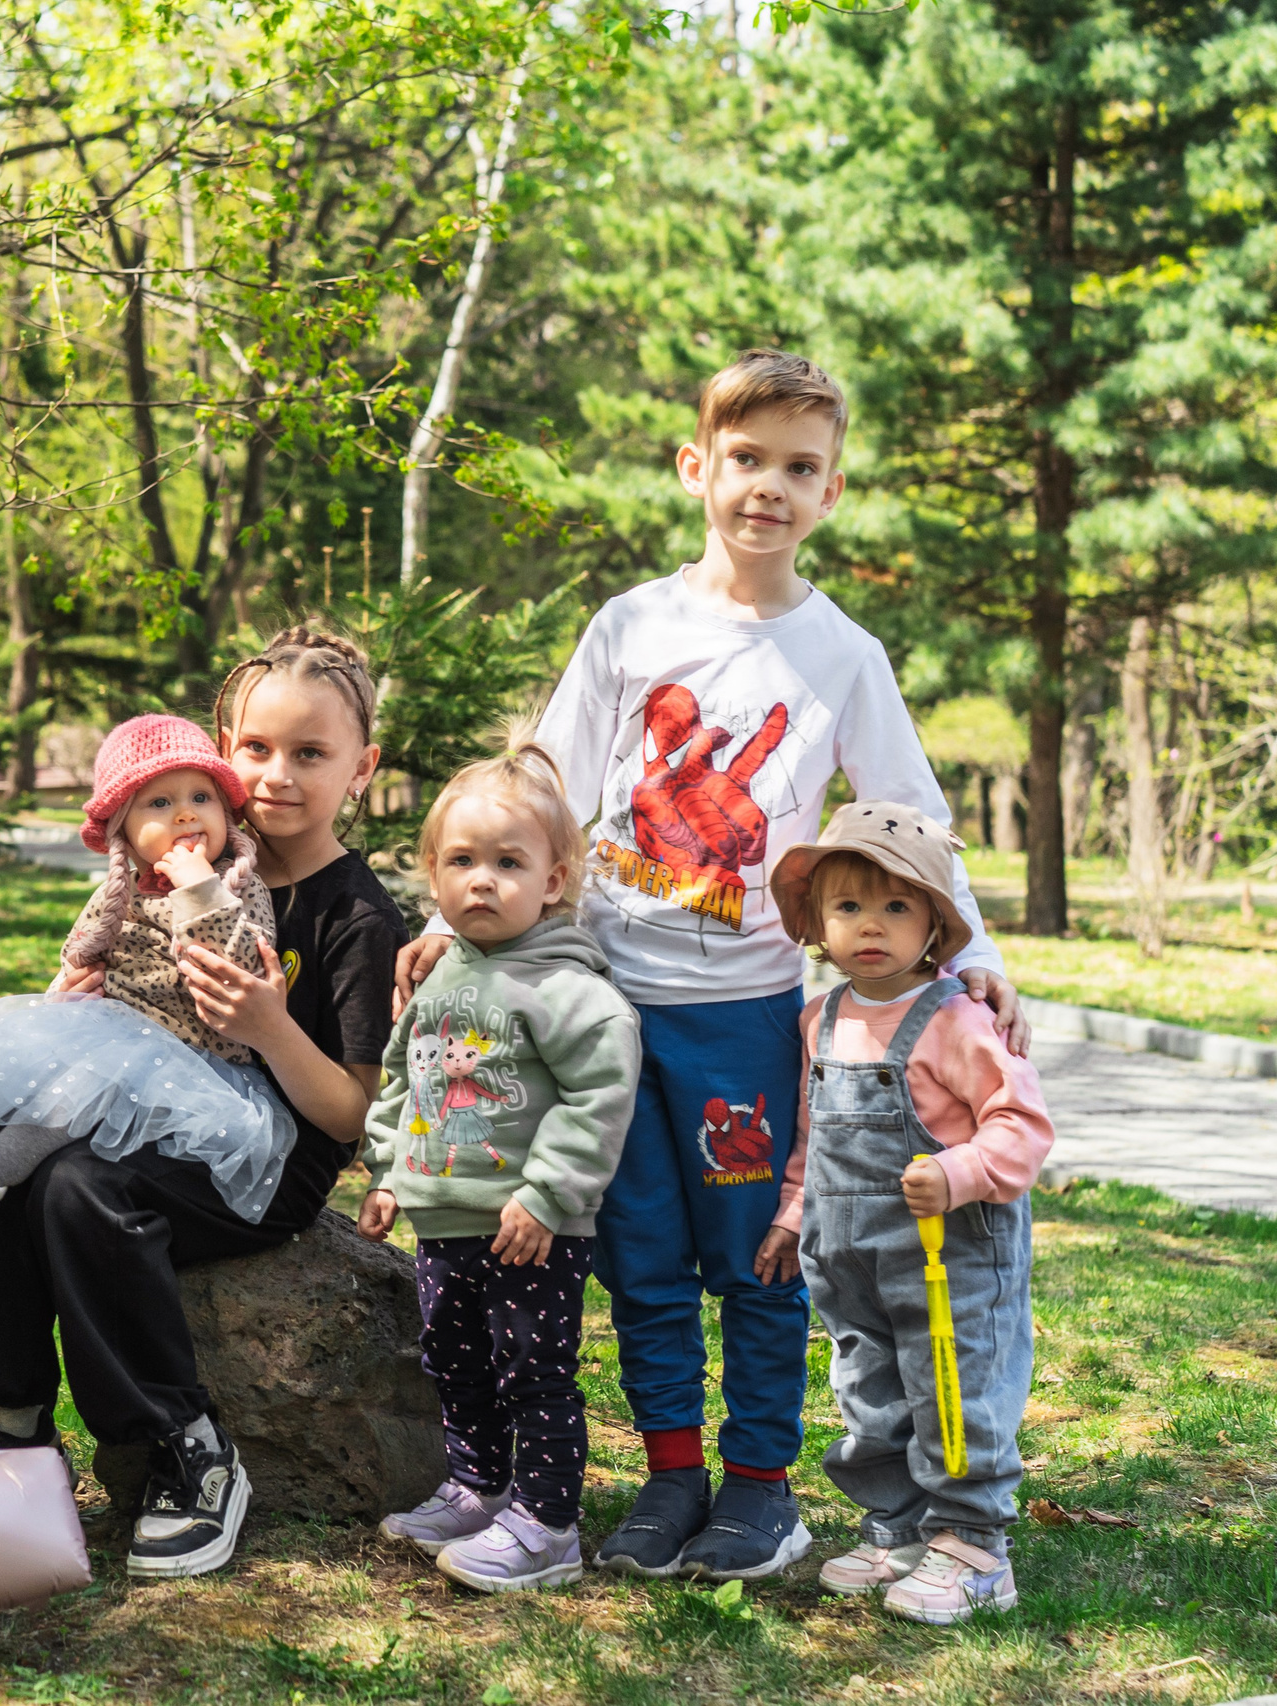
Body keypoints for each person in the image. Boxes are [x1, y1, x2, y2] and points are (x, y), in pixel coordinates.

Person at [394, 349, 1028, 1582]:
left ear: (832, 491)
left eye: (799, 466)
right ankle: (671, 1473)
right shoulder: (632, 625)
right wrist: (449, 912)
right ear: (696, 467)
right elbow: (544, 787)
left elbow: (915, 817)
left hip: (743, 1017)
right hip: (603, 1009)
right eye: (745, 458)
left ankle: (758, 1486)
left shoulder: (843, 654)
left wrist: (980, 953)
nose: (767, 487)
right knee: (636, 1256)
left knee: (755, 1258)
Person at [0, 627, 410, 1580]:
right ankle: (5, 1415)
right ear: (222, 754)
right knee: (7, 1119)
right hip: (152, 1111)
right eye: (256, 749)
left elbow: (351, 1116)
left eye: (311, 754)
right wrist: (73, 1005)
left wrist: (271, 1026)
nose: (277, 776)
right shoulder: (174, 869)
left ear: (362, 769)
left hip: (265, 1157)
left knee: (80, 1189)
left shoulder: (356, 916)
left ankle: (183, 1444)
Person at [356, 740, 637, 1593]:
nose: (482, 881)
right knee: (454, 1359)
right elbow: (403, 1078)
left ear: (554, 882)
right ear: (433, 876)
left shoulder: (567, 989)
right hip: (443, 1219)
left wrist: (548, 1195)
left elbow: (600, 1093)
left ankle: (548, 1522)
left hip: (529, 1229)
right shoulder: (442, 978)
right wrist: (387, 1173)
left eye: (508, 863)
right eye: (462, 861)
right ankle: (479, 1487)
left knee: (533, 1371)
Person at [766, 802, 1053, 1622]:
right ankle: (898, 1528)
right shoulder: (820, 1020)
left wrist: (960, 1171)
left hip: (949, 1253)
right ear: (818, 922)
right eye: (849, 906)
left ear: (934, 924)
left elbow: (1022, 1125)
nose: (871, 925)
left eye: (897, 906)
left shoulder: (958, 1018)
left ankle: (974, 1546)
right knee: (871, 1386)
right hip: (848, 1253)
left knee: (954, 1386)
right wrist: (793, 1212)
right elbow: (812, 1136)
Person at [0, 714, 293, 1247]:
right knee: (0, 1046)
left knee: (88, 1082)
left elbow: (241, 968)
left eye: (202, 797)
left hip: (195, 1070)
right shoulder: (118, 895)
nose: (186, 813)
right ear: (123, 829)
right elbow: (77, 957)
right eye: (160, 803)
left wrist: (200, 893)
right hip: (115, 1044)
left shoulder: (237, 887)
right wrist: (65, 993)